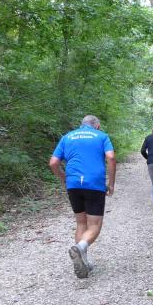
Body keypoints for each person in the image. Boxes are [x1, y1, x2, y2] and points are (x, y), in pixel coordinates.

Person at [48, 115, 116, 279]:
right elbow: (111, 157)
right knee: (94, 225)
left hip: (73, 184)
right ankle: (80, 247)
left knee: (81, 222)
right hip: (94, 183)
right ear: (97, 126)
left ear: (81, 125)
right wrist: (111, 183)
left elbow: (53, 163)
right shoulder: (102, 136)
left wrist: (63, 177)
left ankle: (83, 261)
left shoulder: (67, 137)